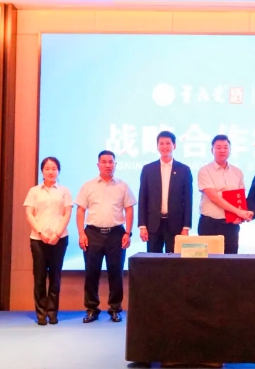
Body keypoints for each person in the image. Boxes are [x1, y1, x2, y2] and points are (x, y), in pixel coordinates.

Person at [75, 150, 136, 324]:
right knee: (91, 273)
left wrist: (127, 232)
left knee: (116, 273)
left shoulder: (123, 186)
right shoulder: (88, 186)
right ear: (98, 164)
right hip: (92, 234)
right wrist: (81, 233)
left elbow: (129, 209)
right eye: (104, 162)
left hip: (116, 234)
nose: (108, 165)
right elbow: (80, 210)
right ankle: (91, 309)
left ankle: (115, 309)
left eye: (111, 162)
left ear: (115, 165)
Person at [23, 156, 73, 326]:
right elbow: (29, 214)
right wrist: (40, 232)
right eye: (47, 169)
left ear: (58, 171)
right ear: (42, 171)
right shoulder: (34, 191)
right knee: (39, 276)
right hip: (38, 239)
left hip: (59, 239)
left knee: (55, 276)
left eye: (54, 168)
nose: (51, 172)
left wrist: (57, 234)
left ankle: (52, 313)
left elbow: (67, 213)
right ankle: (41, 313)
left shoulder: (64, 191)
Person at [197, 135, 253, 254]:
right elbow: (214, 197)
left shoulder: (237, 172)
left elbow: (239, 198)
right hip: (210, 224)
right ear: (212, 150)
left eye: (225, 147)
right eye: (218, 147)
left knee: (230, 261)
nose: (222, 150)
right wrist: (238, 212)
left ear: (230, 150)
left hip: (231, 226)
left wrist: (240, 216)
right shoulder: (205, 171)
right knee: (207, 262)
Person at [138, 131, 193, 253]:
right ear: (157, 146)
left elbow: (188, 200)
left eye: (168, 143)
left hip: (175, 225)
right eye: (161, 143)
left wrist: (186, 227)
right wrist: (142, 226)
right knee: (153, 260)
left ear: (174, 146)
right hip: (153, 225)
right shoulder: (148, 169)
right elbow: (143, 198)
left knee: (174, 261)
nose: (164, 146)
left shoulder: (184, 170)